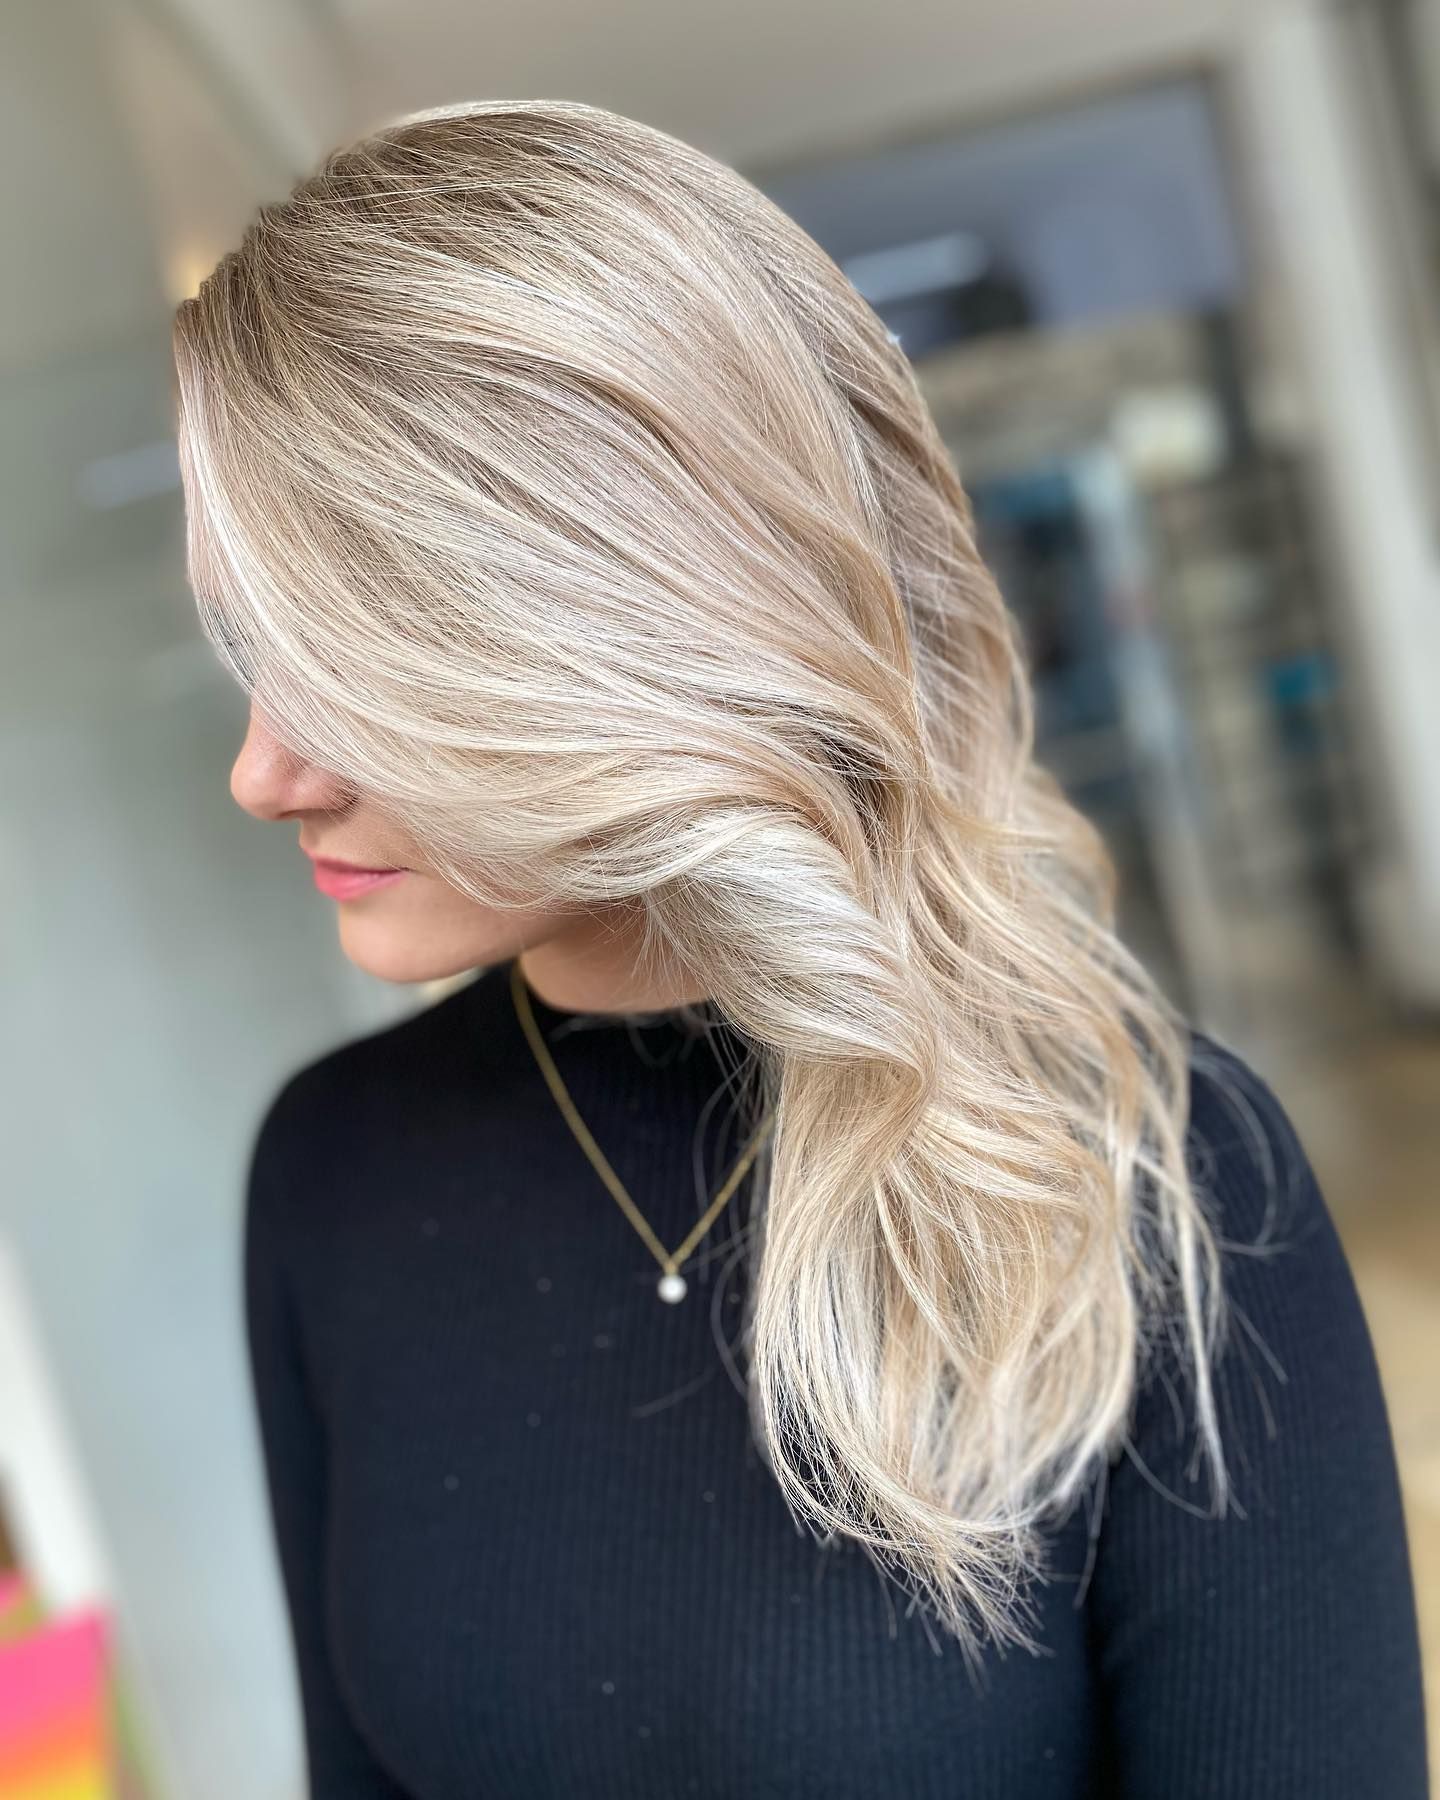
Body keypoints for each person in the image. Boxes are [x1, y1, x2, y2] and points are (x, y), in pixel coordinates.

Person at [170, 99, 1428, 1798]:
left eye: (352, 663)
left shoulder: (1155, 1185)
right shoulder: (332, 1172)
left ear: (630, 619)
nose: (264, 774)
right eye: (255, 654)